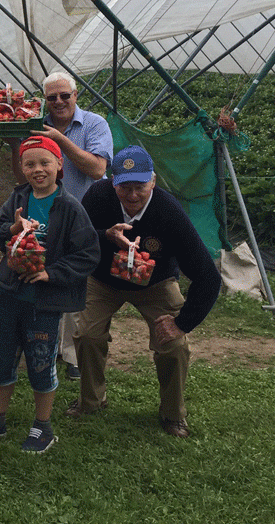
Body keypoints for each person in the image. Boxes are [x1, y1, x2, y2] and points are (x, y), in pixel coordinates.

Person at [70, 145, 221, 437]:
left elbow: (208, 277)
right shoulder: (98, 197)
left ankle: (173, 414)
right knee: (87, 334)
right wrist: (104, 237)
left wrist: (182, 323)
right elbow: (76, 237)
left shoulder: (169, 212)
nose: (132, 195)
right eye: (124, 187)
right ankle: (91, 401)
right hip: (103, 281)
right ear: (112, 183)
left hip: (156, 283)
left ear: (153, 181)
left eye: (140, 186)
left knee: (174, 345)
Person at [0, 136, 97, 453]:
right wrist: (12, 228)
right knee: (1, 357)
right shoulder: (17, 197)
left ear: (59, 165)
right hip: (11, 293)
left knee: (40, 362)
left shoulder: (70, 207)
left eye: (45, 162)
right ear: (21, 167)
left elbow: (88, 253)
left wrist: (51, 272)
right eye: (30, 163)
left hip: (44, 302)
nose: (38, 169)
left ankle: (43, 426)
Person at [10, 70, 113, 380]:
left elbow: (97, 169)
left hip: (87, 215)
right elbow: (23, 173)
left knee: (80, 282)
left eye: (64, 95)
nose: (58, 102)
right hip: (47, 215)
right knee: (47, 277)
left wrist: (60, 141)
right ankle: (48, 347)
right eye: (51, 97)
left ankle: (75, 355)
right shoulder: (34, 124)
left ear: (75, 96)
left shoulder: (94, 123)